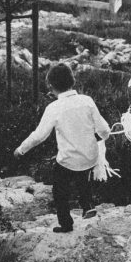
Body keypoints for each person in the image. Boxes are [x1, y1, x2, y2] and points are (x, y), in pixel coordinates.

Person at [14, 63, 110, 233]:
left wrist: (21, 149)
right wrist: (100, 139)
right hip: (90, 156)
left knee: (60, 189)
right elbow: (104, 129)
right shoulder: (87, 101)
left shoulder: (53, 108)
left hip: (69, 159)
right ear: (72, 80)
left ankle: (66, 224)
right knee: (83, 173)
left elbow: (39, 135)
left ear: (50, 86)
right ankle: (87, 203)